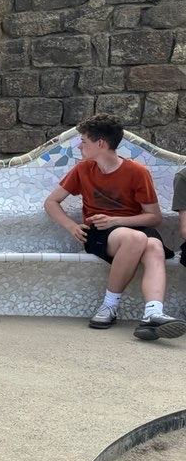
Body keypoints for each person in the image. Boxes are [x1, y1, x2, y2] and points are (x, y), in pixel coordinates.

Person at [42, 114, 184, 340]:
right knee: (136, 240)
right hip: (100, 232)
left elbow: (153, 217)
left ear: (100, 144)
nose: (80, 146)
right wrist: (71, 226)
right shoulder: (82, 169)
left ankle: (153, 314)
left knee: (154, 247)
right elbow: (51, 202)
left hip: (129, 226)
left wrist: (116, 220)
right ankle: (109, 306)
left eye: (84, 142)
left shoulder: (137, 172)